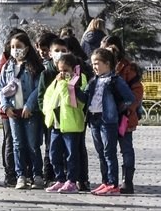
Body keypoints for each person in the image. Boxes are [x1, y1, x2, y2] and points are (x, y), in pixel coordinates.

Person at [0, 31, 45, 190]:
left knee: (32, 144)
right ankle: (21, 175)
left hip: (29, 111)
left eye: (18, 46)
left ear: (26, 48)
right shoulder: (7, 67)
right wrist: (6, 106)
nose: (15, 49)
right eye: (12, 47)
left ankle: (37, 174)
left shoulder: (35, 66)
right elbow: (1, 88)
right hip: (13, 111)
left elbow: (39, 88)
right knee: (17, 144)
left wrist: (30, 105)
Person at [86, 47, 134, 196]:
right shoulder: (94, 80)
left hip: (108, 121)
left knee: (109, 152)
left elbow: (129, 98)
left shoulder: (115, 80)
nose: (94, 66)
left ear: (107, 63)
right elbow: (85, 96)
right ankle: (105, 181)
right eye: (93, 63)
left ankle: (113, 183)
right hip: (94, 119)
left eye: (97, 63)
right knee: (100, 152)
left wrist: (117, 109)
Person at [101, 35, 143, 194]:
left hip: (124, 115)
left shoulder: (127, 68)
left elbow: (137, 91)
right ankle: (109, 180)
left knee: (126, 148)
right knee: (106, 149)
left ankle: (127, 181)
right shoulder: (101, 66)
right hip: (107, 116)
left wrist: (128, 108)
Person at [41, 52, 88, 194]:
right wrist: (58, 82)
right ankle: (59, 178)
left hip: (71, 123)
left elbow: (75, 101)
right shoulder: (56, 81)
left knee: (71, 154)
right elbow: (48, 97)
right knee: (54, 153)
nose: (62, 73)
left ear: (74, 69)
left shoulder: (80, 79)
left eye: (65, 70)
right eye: (60, 70)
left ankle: (72, 181)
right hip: (56, 123)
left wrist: (67, 83)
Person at [0, 27, 23, 186]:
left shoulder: (28, 62)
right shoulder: (6, 62)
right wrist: (2, 104)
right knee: (10, 141)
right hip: (8, 111)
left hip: (24, 109)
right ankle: (10, 173)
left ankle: (23, 172)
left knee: (23, 142)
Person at [34, 30, 60, 184]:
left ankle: (56, 174)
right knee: (47, 144)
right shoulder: (39, 65)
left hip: (59, 110)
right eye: (40, 49)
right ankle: (47, 174)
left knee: (53, 144)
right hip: (45, 110)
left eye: (45, 49)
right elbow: (39, 92)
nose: (42, 53)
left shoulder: (58, 66)